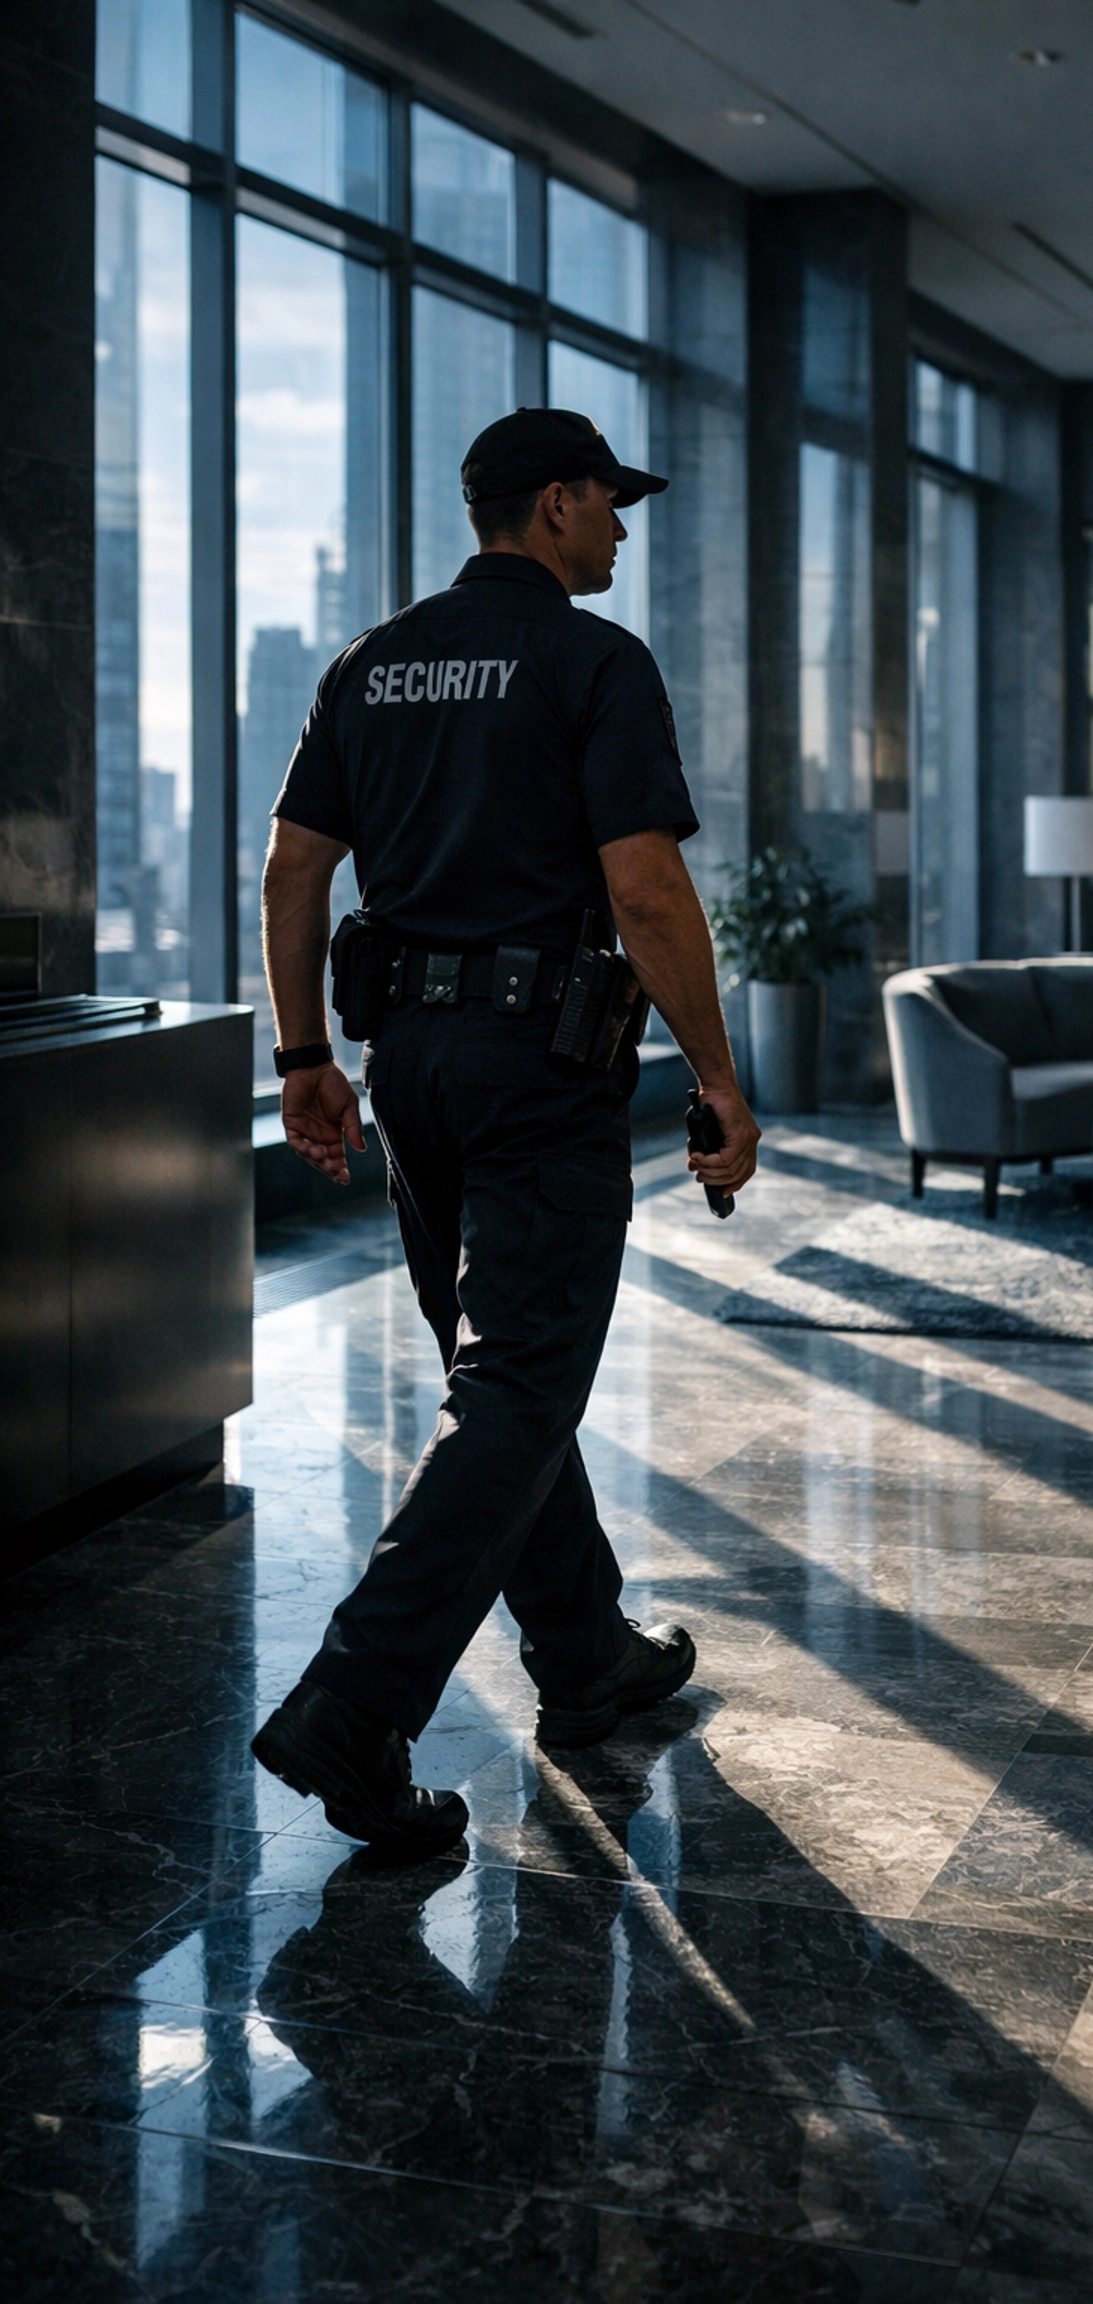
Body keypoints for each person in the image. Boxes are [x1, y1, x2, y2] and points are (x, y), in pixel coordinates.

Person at [250, 407, 760, 1855]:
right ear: (550, 505)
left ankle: (585, 1651)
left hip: (409, 1064)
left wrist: (302, 1055)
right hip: (539, 1069)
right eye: (609, 503)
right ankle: (357, 1702)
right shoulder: (594, 662)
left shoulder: (371, 662)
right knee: (519, 1385)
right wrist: (719, 1073)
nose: (619, 528)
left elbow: (293, 866)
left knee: (505, 1376)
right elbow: (647, 892)